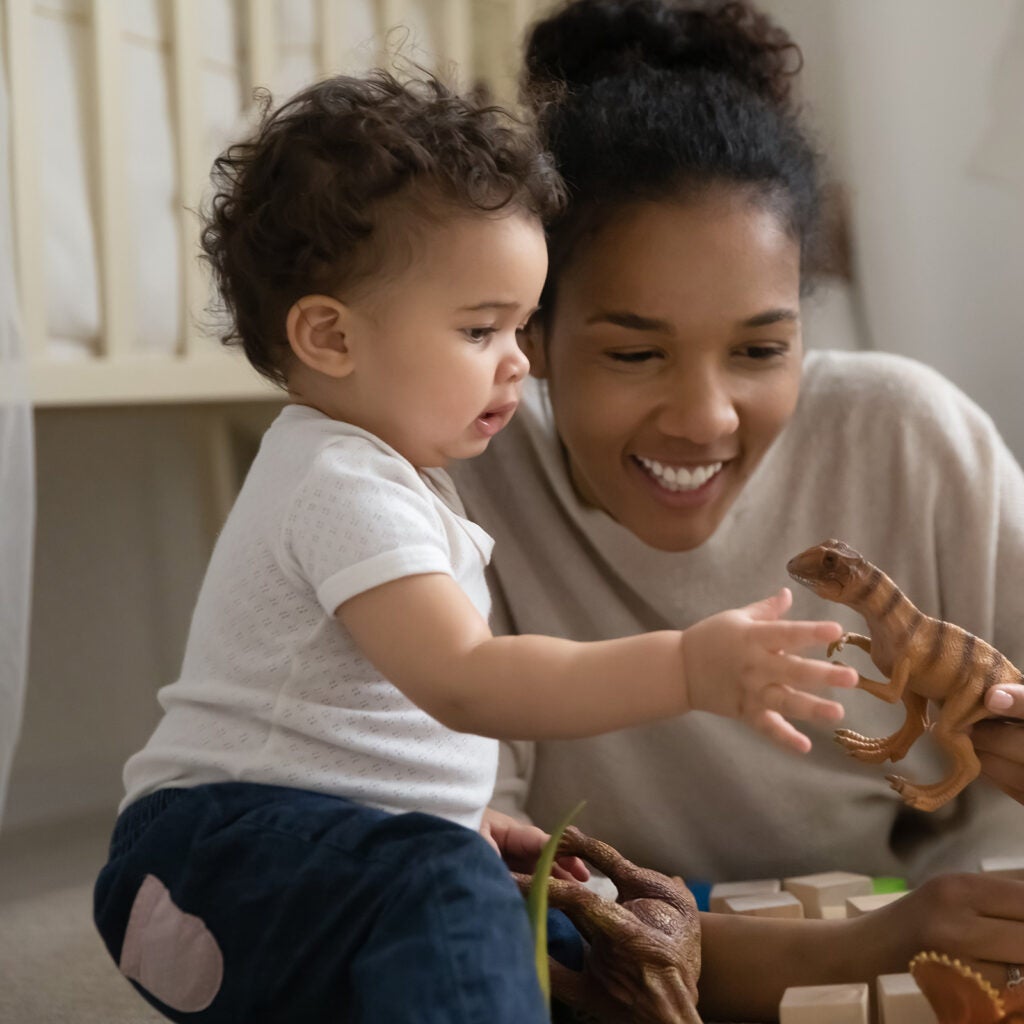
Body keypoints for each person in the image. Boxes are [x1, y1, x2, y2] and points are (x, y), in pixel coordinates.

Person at [92, 70, 857, 1024]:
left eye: (523, 325)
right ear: (330, 335)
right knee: (449, 891)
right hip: (219, 850)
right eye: (480, 328)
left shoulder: (391, 479)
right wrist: (686, 669)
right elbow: (466, 680)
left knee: (561, 911)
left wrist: (465, 820)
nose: (522, 361)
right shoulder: (339, 483)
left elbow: (365, 750)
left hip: (298, 851)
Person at [452, 0, 1024, 1016]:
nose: (704, 418)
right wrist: (869, 943)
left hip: (921, 905)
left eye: (761, 349)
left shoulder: (909, 438)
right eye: (634, 353)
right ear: (532, 333)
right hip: (664, 939)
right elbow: (480, 900)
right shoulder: (460, 491)